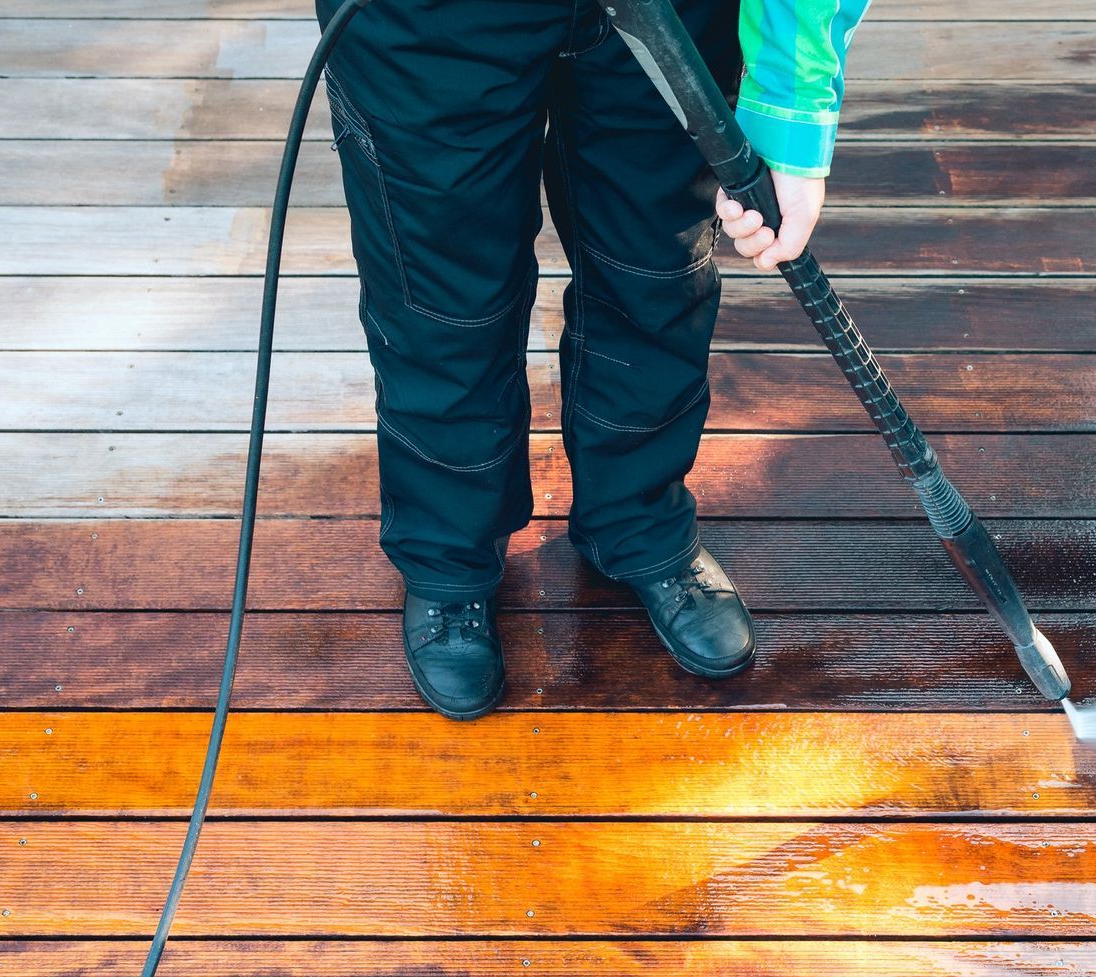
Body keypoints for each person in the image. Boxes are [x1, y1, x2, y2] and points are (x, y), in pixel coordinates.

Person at [316, 0, 868, 719]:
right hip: (426, 21)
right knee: (438, 297)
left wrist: (793, 110)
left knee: (655, 272)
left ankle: (639, 523)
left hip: (671, 11)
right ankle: (449, 558)